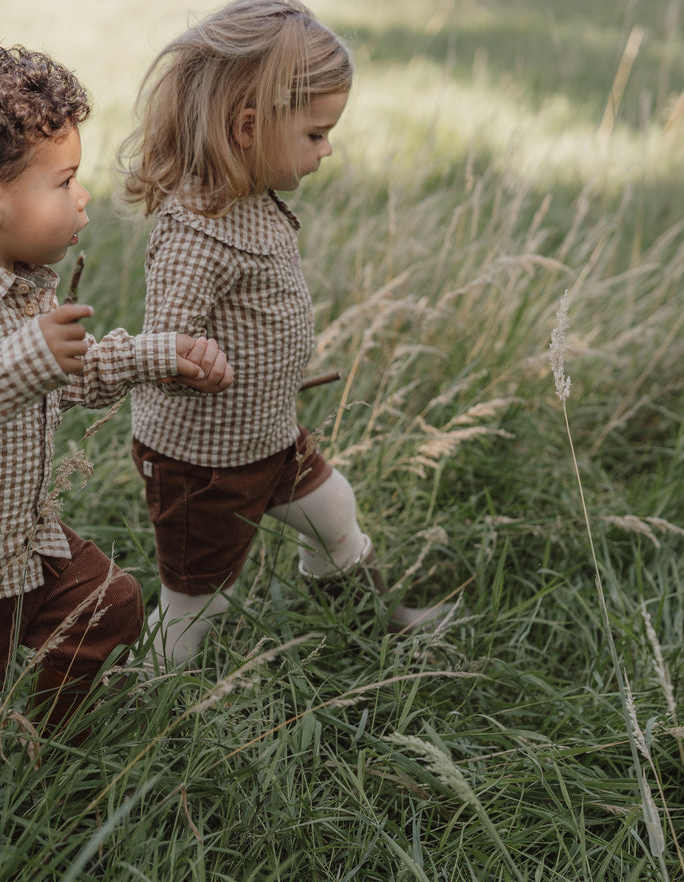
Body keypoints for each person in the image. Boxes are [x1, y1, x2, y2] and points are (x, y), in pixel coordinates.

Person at [0, 46, 232, 739]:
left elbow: (67, 371)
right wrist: (29, 358)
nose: (81, 196)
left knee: (106, 604)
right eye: (63, 182)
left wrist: (158, 355)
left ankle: (40, 740)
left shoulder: (17, 282)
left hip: (14, 546)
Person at [119, 0, 450, 669]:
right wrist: (189, 360)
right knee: (199, 603)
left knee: (334, 512)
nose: (328, 148)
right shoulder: (195, 230)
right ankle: (146, 697)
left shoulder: (251, 200)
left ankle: (365, 631)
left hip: (267, 436)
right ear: (247, 128)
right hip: (203, 462)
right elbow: (159, 344)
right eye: (316, 133)